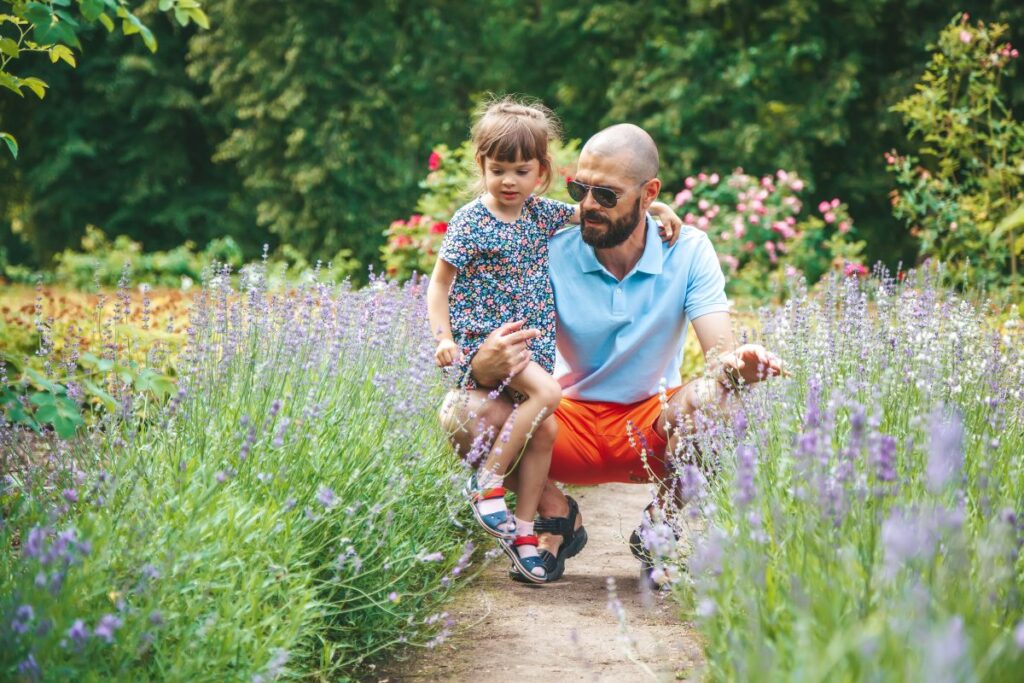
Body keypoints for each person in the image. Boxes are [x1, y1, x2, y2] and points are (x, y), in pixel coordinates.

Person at [440, 123, 783, 583]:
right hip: (557, 423)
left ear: (648, 195)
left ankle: (659, 525)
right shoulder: (547, 244)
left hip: (649, 426)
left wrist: (740, 365)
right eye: (579, 188)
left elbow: (720, 353)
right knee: (462, 411)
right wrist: (479, 361)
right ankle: (555, 513)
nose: (587, 206)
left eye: (606, 195)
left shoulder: (688, 250)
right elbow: (471, 300)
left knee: (720, 400)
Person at [426, 99, 684, 583]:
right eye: (497, 169)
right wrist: (445, 339)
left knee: (542, 429)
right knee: (548, 395)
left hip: (530, 347)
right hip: (493, 340)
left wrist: (656, 206)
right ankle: (486, 485)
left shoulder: (540, 215)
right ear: (481, 166)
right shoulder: (469, 221)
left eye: (520, 171)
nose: (508, 181)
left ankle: (530, 530)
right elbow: (439, 283)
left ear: (540, 173)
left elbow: (602, 206)